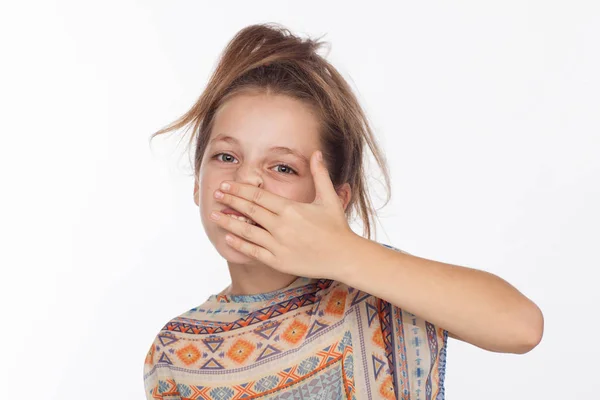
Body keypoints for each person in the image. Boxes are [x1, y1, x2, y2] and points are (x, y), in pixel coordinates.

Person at [143, 23, 543, 400]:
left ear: (334, 197)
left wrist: (342, 252)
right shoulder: (177, 351)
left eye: (282, 167)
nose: (247, 182)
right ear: (198, 183)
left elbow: (521, 327)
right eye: (227, 156)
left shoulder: (380, 293)